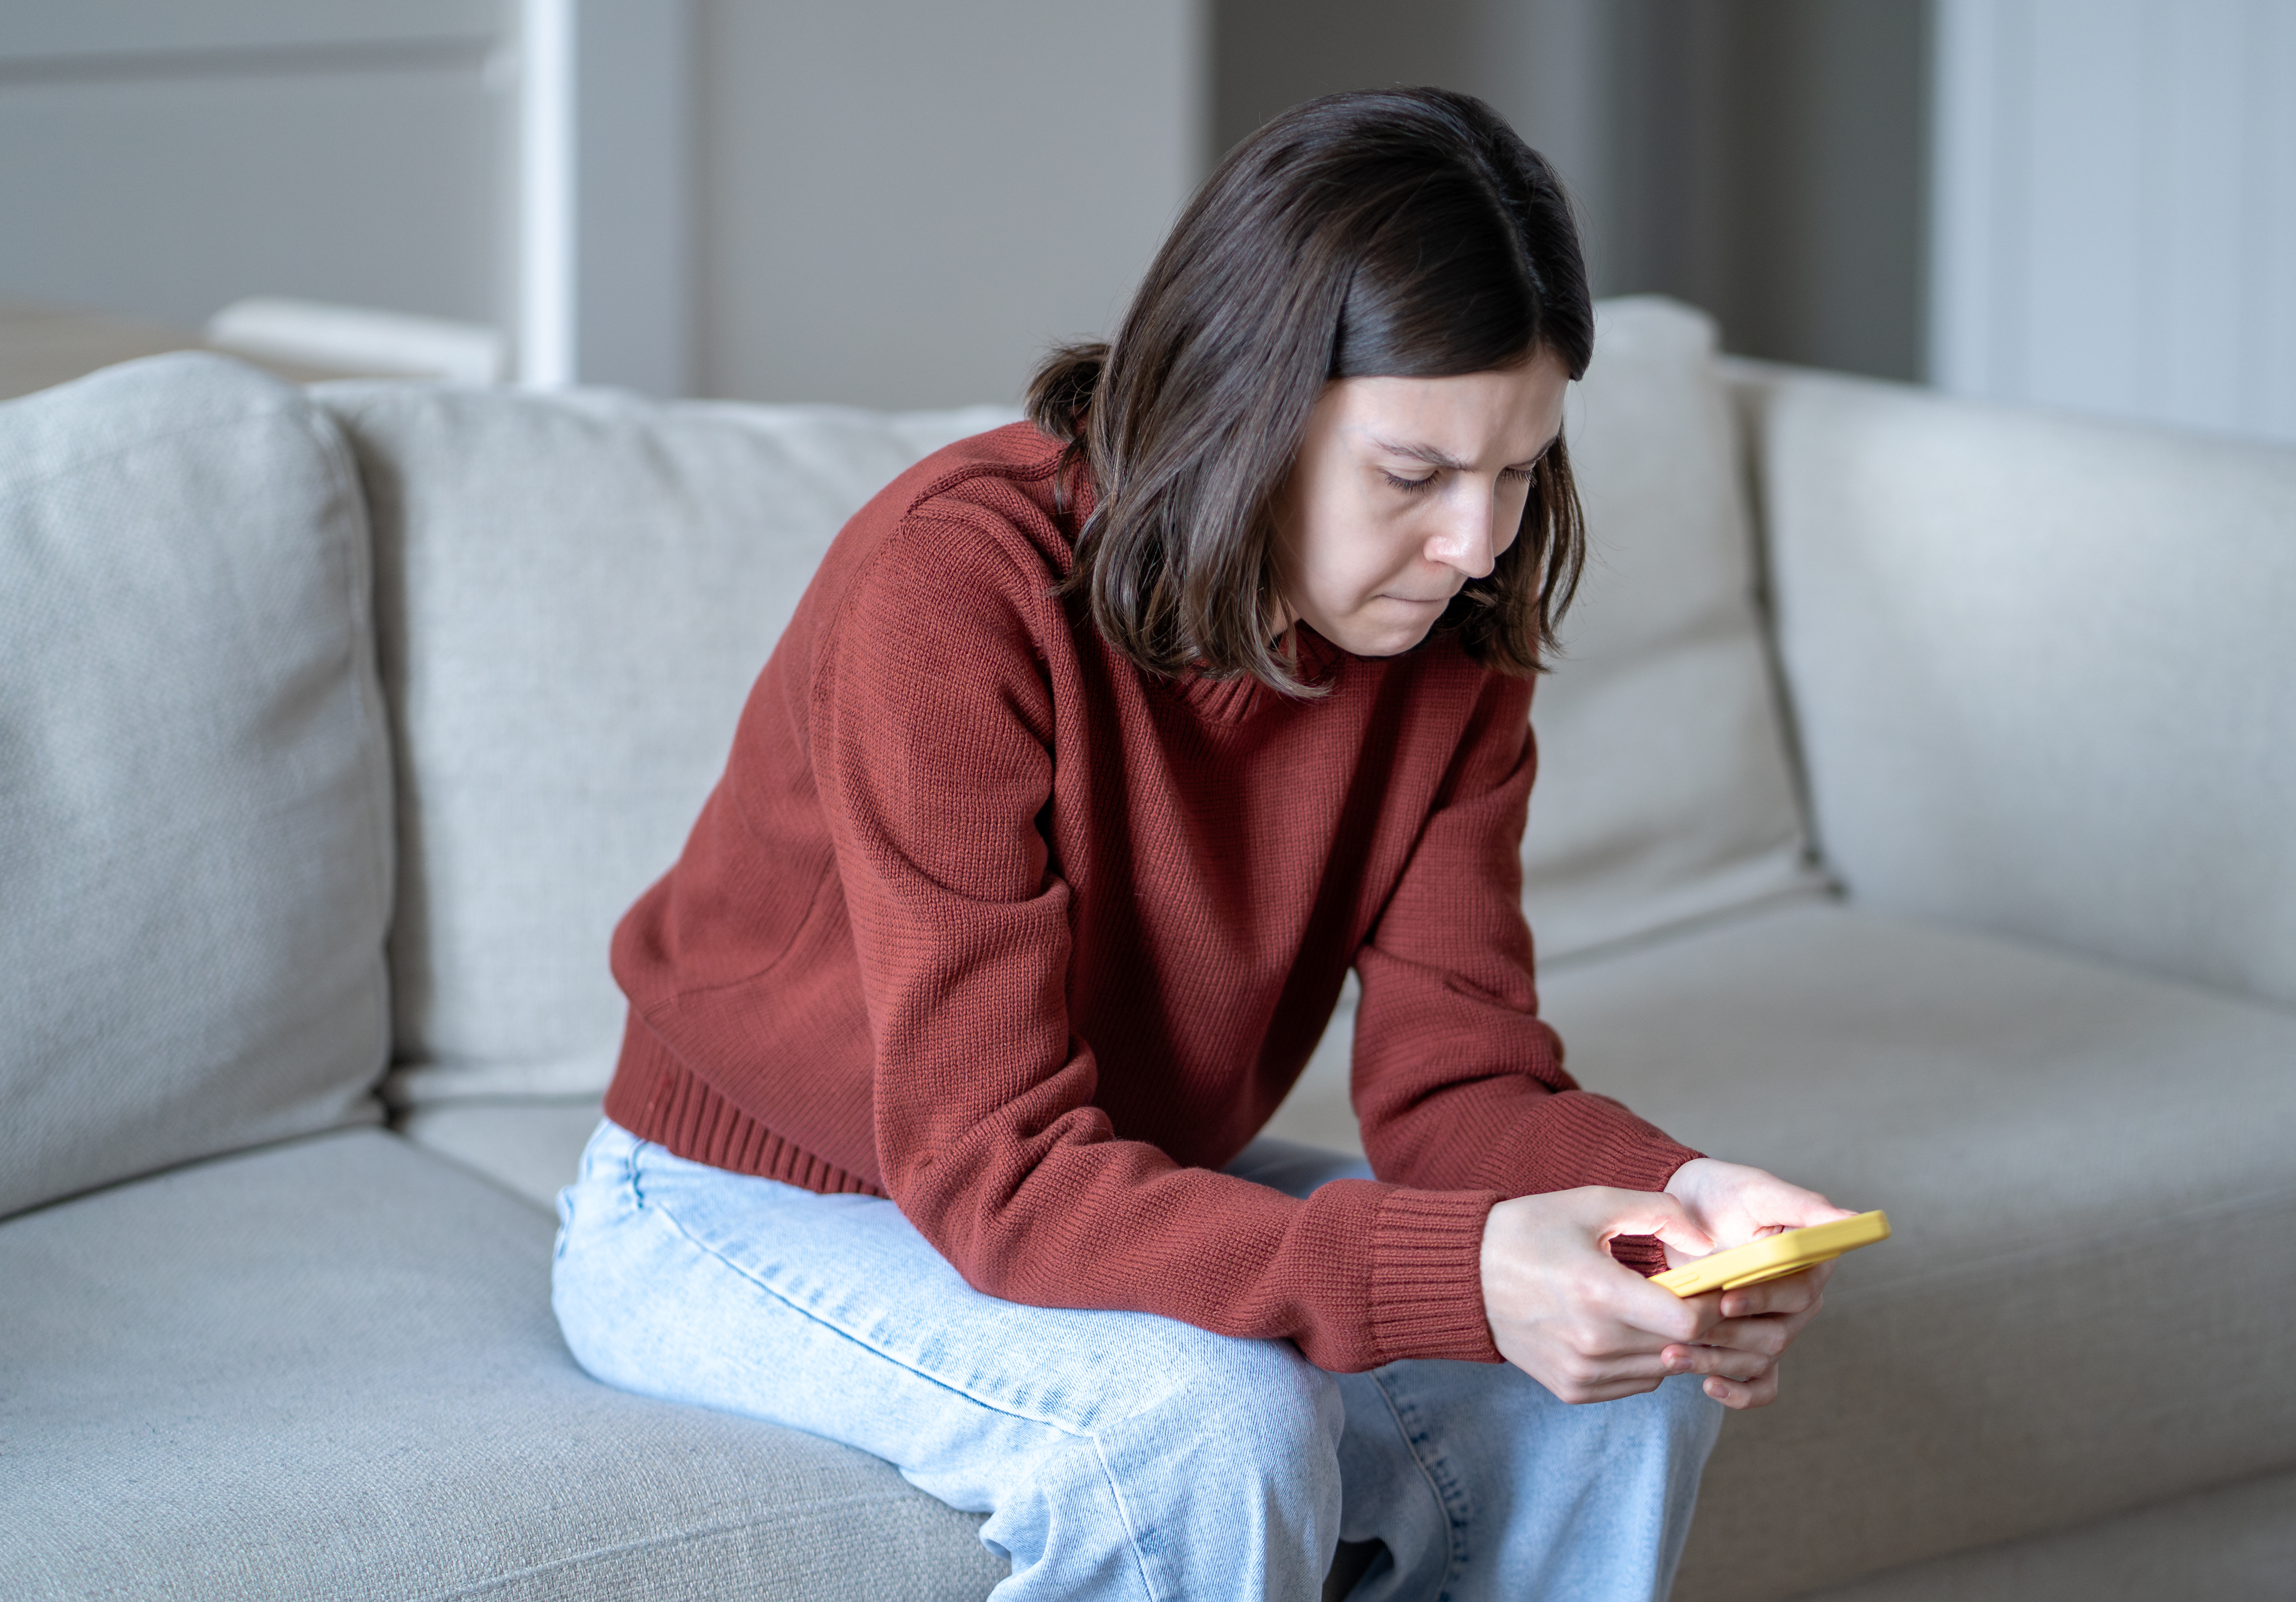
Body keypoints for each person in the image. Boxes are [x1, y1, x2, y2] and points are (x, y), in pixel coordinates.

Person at [551, 86, 1853, 1602]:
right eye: (1415, 475)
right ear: (1240, 400)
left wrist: (1676, 1208)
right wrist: (1454, 1272)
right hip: (732, 1202)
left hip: (1101, 1175)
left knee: (1617, 1392)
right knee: (1207, 1429)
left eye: (1519, 469)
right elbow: (994, 1167)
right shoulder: (958, 592)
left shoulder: (1450, 639)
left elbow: (1459, 1084)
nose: (1479, 544)